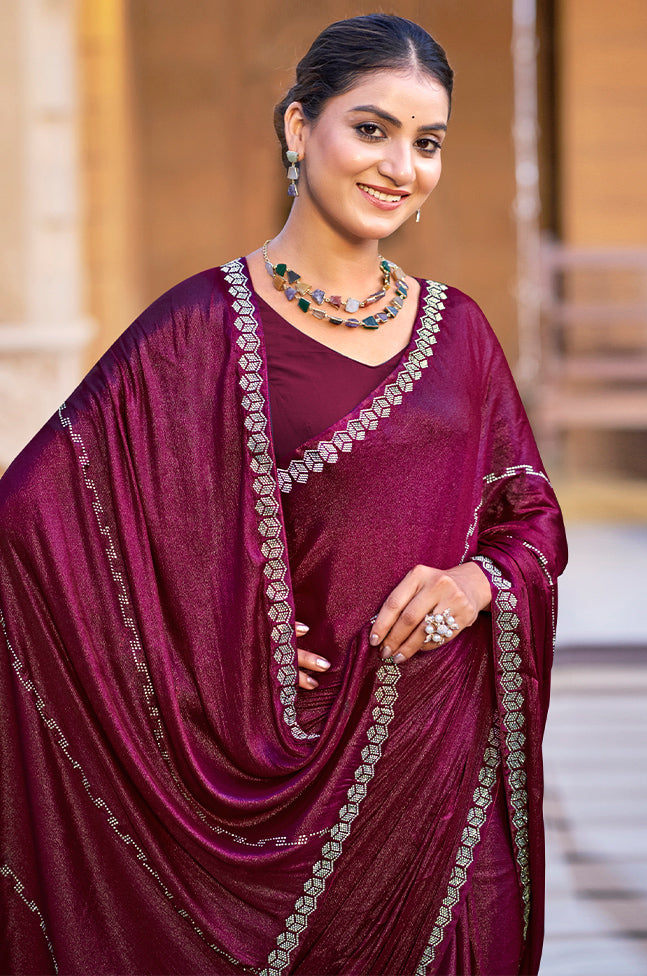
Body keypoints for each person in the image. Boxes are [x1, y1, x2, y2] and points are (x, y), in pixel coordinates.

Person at [0, 13, 566, 976]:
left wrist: (476, 585)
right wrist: (213, 641)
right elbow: (32, 528)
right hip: (260, 783)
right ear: (300, 128)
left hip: (438, 773)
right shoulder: (197, 328)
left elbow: (531, 519)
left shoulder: (459, 332)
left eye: (426, 143)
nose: (401, 165)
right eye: (372, 128)